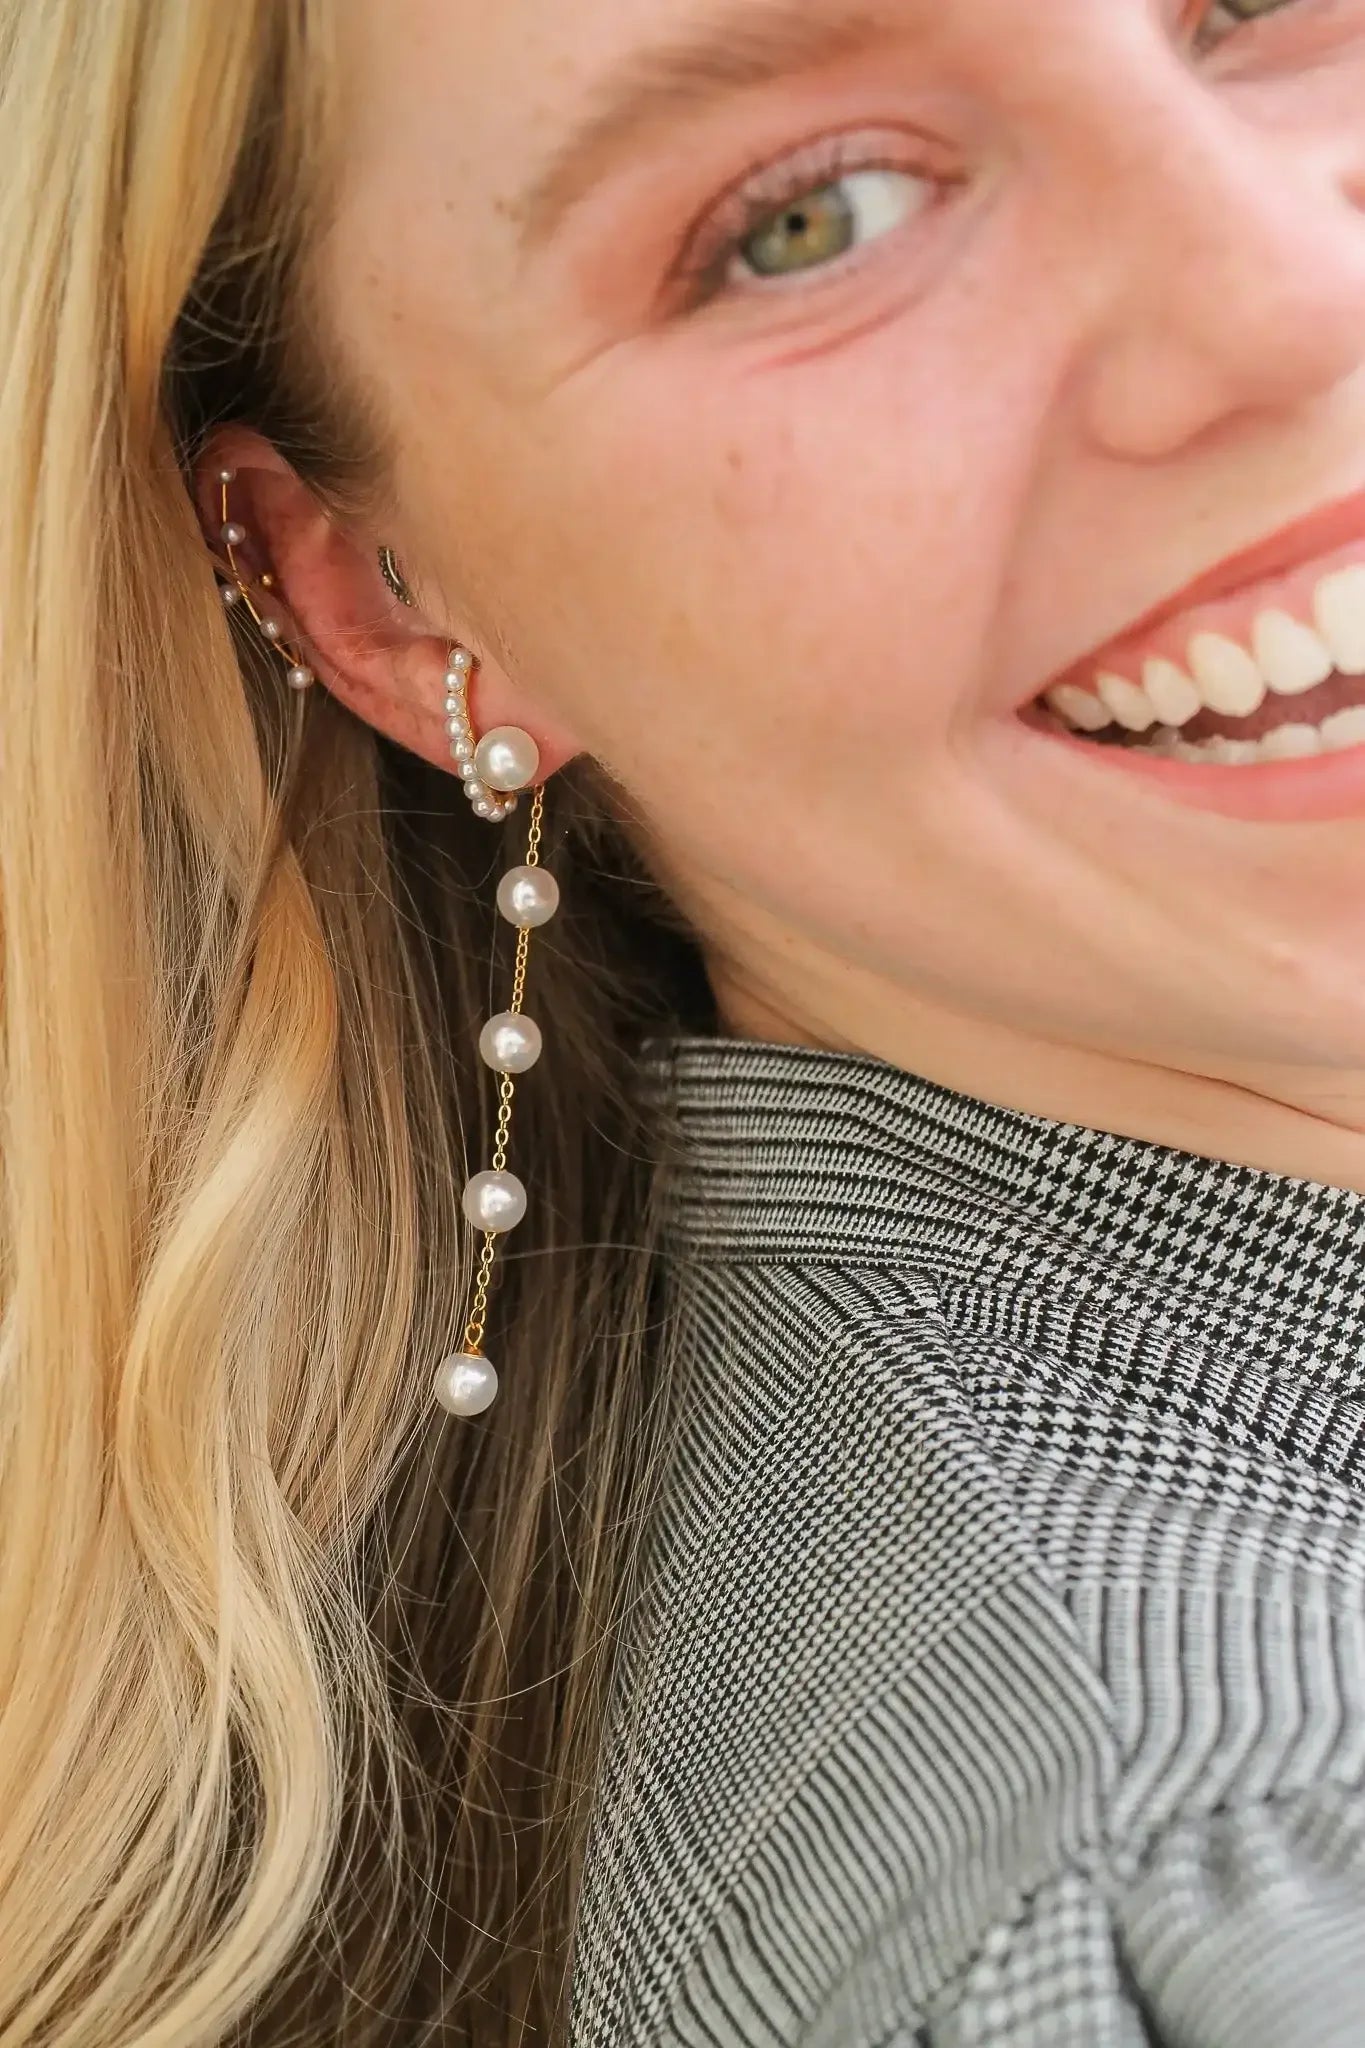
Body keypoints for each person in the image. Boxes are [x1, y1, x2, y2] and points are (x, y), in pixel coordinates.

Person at [5, 0, 1365, 2041]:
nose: (1291, 287)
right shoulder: (1214, 1911)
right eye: (805, 221)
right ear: (382, 599)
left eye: (1253, 2)